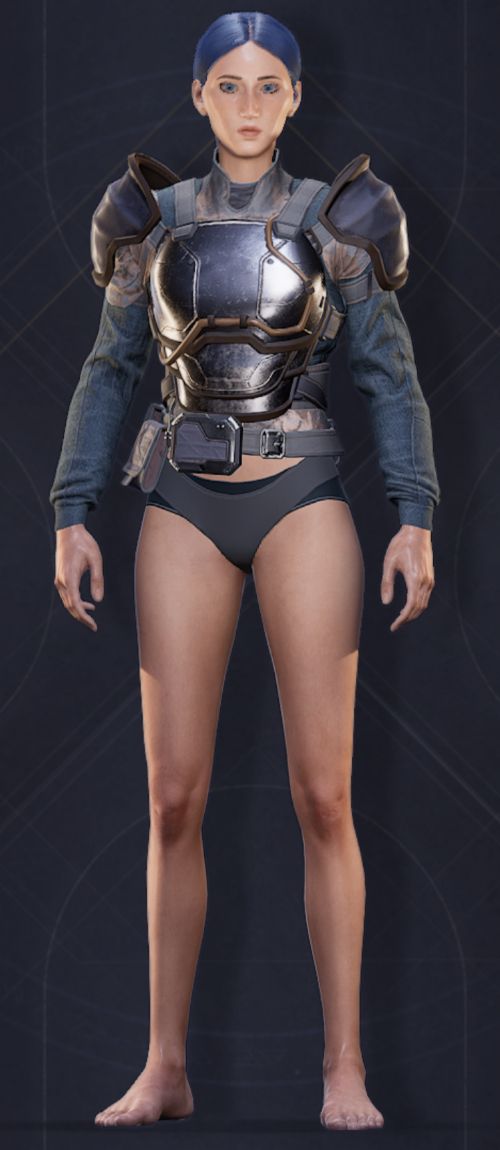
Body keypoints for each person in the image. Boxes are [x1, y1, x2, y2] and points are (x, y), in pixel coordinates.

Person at [50, 11, 440, 1131]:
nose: (251, 104)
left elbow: (389, 373)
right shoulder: (151, 222)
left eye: (271, 85)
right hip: (180, 498)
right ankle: (164, 1066)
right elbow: (108, 370)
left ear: (297, 98)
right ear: (199, 96)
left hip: (300, 497)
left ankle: (343, 1066)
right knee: (173, 798)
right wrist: (72, 510)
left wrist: (413, 514)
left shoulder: (338, 219)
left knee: (325, 794)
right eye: (230, 85)